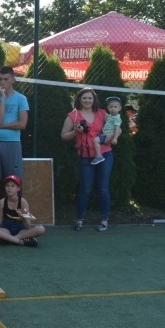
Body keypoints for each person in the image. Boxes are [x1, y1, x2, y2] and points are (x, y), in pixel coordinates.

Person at [61, 88, 113, 231]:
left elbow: (115, 128)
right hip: (85, 157)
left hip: (104, 155)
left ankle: (104, 220)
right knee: (85, 189)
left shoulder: (102, 113)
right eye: (84, 98)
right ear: (79, 99)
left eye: (90, 98)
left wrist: (107, 138)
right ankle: (79, 221)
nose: (87, 101)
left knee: (103, 188)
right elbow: (64, 136)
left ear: (94, 99)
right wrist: (75, 131)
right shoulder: (73, 115)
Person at [0, 66, 28, 225]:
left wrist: (0, 126)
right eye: (0, 79)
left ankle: (15, 217)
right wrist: (2, 98)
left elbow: (22, 124)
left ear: (13, 80)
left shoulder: (21, 99)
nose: (2, 82)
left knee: (14, 182)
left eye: (6, 79)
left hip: (13, 144)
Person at [0, 175, 44, 246]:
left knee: (41, 229)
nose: (9, 188)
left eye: (13, 186)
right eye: (7, 186)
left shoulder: (23, 202)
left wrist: (23, 217)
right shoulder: (2, 202)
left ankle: (8, 239)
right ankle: (21, 242)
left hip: (21, 231)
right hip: (6, 230)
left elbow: (28, 226)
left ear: (18, 188)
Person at [92, 96, 123, 165]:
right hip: (104, 134)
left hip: (107, 136)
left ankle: (99, 156)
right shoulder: (110, 116)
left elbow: (117, 128)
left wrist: (115, 138)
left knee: (95, 140)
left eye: (115, 107)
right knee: (96, 139)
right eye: (111, 107)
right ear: (108, 108)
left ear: (119, 108)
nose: (113, 109)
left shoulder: (117, 118)